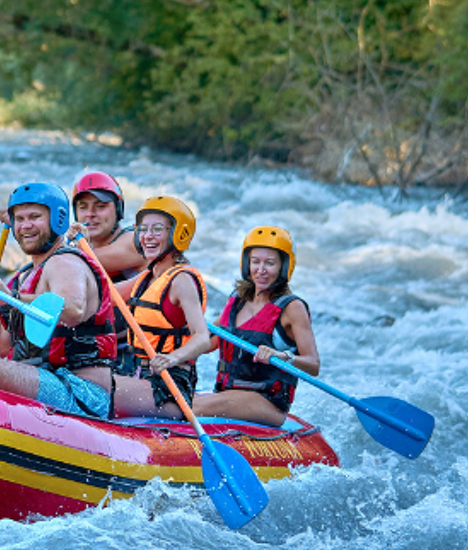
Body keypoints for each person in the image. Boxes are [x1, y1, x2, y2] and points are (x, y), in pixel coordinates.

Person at [0, 182, 117, 417]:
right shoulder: (24, 275)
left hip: (83, 393)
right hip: (45, 378)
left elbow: (73, 308)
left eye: (35, 217)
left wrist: (13, 297)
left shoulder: (64, 261)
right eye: (19, 219)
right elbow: (3, 341)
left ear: (58, 219)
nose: (26, 226)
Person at [193, 226, 320, 426]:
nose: (261, 270)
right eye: (255, 262)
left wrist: (282, 356)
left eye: (269, 263)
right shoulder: (236, 301)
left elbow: (313, 365)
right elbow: (206, 342)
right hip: (227, 394)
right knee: (178, 400)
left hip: (267, 402)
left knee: (190, 408)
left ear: (283, 267)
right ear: (247, 264)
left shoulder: (292, 308)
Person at [108, 196, 211, 419]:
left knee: (100, 389)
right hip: (141, 376)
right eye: (143, 229)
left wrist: (172, 358)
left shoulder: (182, 280)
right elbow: (106, 295)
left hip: (170, 388)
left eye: (157, 229)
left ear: (178, 234)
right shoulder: (147, 277)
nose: (147, 236)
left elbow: (202, 337)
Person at [72, 172, 147, 284]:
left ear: (118, 210)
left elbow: (81, 262)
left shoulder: (135, 241)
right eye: (83, 207)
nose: (90, 214)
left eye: (100, 206)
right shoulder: (77, 248)